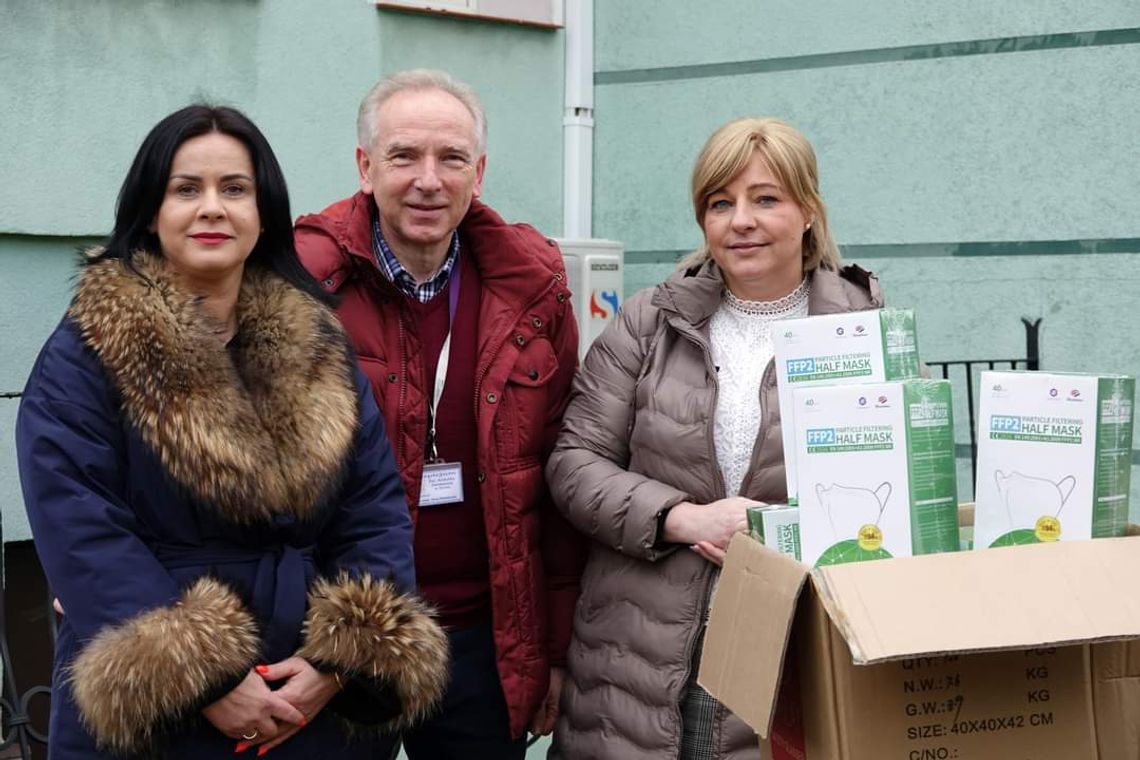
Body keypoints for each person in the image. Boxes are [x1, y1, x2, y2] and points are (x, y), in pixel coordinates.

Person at [16, 104, 448, 759]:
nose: (213, 208)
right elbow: (82, 531)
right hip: (157, 708)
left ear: (264, 212)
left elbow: (373, 509)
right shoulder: (89, 352)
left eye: (235, 189)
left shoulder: (319, 348)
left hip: (308, 705)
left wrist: (336, 664)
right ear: (150, 211)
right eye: (187, 189)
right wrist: (208, 679)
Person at [546, 117, 887, 759]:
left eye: (766, 199)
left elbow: (899, 497)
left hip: (792, 650)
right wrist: (682, 517)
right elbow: (574, 464)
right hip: (635, 662)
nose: (742, 221)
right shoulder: (652, 321)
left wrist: (778, 534)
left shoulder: (866, 333)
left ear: (809, 211)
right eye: (720, 203)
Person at [294, 69, 585, 758]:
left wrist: (555, 647)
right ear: (365, 167)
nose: (429, 179)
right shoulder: (299, 284)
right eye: (404, 156)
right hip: (335, 640)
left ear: (477, 173)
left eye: (451, 158)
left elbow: (559, 479)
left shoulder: (533, 290)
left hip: (481, 641)